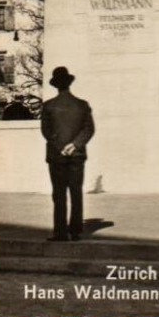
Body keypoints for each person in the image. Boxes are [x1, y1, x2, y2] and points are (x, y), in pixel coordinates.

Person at [40, 66, 95, 242]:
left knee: (59, 194)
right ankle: (76, 231)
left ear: (56, 85)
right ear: (69, 83)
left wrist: (61, 146)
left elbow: (46, 132)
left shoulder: (48, 106)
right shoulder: (82, 105)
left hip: (56, 155)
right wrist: (74, 145)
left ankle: (61, 232)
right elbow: (89, 129)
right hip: (77, 155)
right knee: (76, 192)